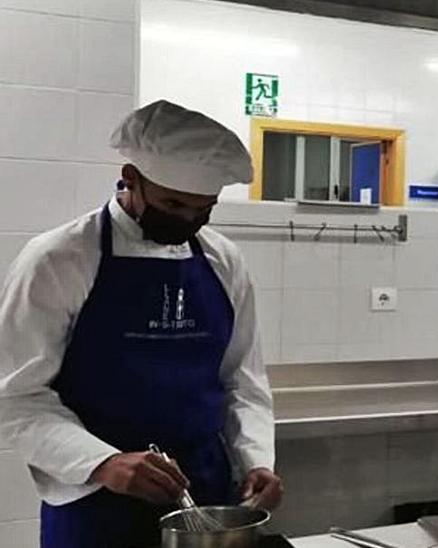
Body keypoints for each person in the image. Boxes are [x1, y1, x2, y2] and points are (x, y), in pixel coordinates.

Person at [0, 100, 282, 548]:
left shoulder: (223, 260)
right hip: (94, 499)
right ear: (131, 178)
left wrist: (255, 461)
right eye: (174, 204)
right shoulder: (59, 260)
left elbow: (243, 381)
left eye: (203, 209)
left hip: (205, 492)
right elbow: (18, 397)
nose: (188, 221)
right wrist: (104, 462)